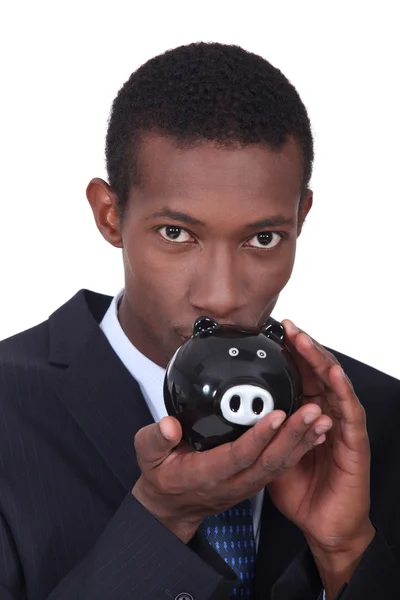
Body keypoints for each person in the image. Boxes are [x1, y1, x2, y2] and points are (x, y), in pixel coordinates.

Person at [0, 42, 399, 600]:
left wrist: (345, 552)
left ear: (300, 218)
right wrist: (160, 521)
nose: (222, 295)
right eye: (176, 234)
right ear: (109, 215)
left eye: (263, 239)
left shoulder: (381, 417)